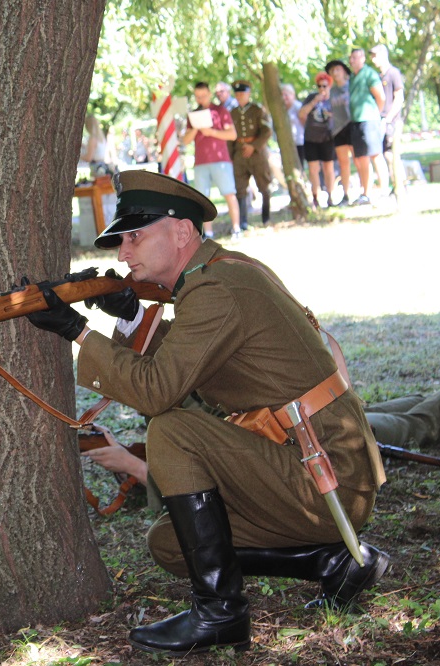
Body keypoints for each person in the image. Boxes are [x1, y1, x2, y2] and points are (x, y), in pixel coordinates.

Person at [26, 170, 388, 656]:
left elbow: (158, 390)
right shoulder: (220, 274)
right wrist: (130, 312)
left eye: (135, 236)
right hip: (304, 467)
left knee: (174, 430)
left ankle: (221, 613)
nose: (122, 252)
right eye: (122, 240)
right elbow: (180, 354)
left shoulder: (216, 289)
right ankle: (333, 562)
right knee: (170, 543)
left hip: (326, 479)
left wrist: (76, 330)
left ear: (181, 232)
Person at [86, 349, 440, 477]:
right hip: (306, 412)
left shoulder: (170, 386)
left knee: (420, 425)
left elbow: (209, 474)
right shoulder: (173, 374)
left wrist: (133, 466)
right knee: (396, 410)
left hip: (306, 433)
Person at [181, 81, 242, 240]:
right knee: (203, 200)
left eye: (203, 95)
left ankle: (236, 229)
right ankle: (207, 234)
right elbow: (185, 141)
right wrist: (195, 127)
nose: (201, 99)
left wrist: (211, 132)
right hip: (200, 162)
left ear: (209, 93)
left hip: (221, 160)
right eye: (198, 96)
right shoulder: (192, 115)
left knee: (229, 194)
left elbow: (232, 135)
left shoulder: (220, 111)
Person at [229, 80, 274, 228]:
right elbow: (230, 138)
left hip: (257, 153)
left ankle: (266, 218)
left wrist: (254, 146)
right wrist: (230, 156)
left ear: (248, 93)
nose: (240, 96)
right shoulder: (232, 113)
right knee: (240, 189)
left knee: (264, 185)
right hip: (239, 154)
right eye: (237, 93)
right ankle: (243, 222)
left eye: (243, 93)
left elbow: (267, 131)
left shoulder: (257, 110)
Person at [348, 47, 386, 205]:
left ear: (362, 58)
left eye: (355, 57)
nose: (352, 61)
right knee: (361, 158)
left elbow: (380, 97)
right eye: (351, 58)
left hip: (369, 120)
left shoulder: (369, 74)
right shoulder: (352, 78)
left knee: (375, 154)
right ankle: (366, 192)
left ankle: (384, 190)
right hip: (355, 121)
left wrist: (375, 114)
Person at [370, 45, 405, 197]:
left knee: (392, 154)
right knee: (386, 154)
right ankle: (396, 184)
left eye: (375, 56)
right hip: (381, 121)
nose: (373, 59)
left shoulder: (393, 73)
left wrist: (389, 118)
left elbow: (399, 97)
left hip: (393, 121)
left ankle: (401, 185)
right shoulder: (378, 77)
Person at [299, 72, 337, 208]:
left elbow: (341, 117)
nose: (322, 88)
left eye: (324, 86)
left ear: (329, 86)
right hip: (311, 138)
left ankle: (331, 196)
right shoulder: (311, 98)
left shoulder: (333, 99)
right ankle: (315, 197)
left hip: (327, 138)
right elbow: (301, 114)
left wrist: (331, 115)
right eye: (319, 86)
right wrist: (315, 101)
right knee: (313, 169)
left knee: (328, 167)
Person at [326, 60, 354, 206]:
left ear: (344, 70)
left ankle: (365, 192)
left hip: (353, 125)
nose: (335, 73)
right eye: (332, 71)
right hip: (338, 129)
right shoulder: (331, 91)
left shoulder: (352, 86)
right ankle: (346, 194)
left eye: (337, 69)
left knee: (359, 159)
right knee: (344, 163)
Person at [280, 83, 305, 167]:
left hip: (299, 142)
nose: (284, 97)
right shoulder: (282, 109)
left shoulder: (298, 107)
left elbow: (305, 123)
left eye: (286, 95)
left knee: (299, 165)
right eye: (282, 95)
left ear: (292, 95)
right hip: (287, 143)